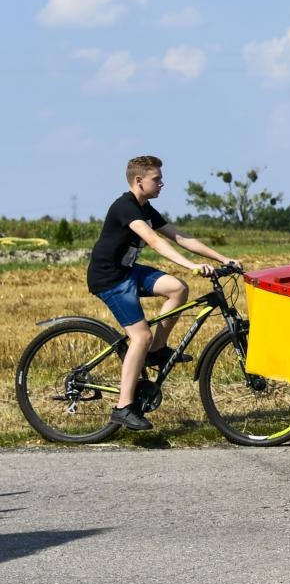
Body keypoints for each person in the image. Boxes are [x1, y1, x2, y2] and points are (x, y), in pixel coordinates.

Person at [86, 156, 238, 431]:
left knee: (178, 288)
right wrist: (191, 266)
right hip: (110, 278)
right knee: (140, 336)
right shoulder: (125, 207)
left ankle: (156, 352)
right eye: (156, 179)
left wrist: (223, 258)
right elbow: (155, 241)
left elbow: (180, 238)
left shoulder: (146, 208)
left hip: (128, 271)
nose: (162, 183)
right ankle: (123, 407)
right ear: (138, 181)